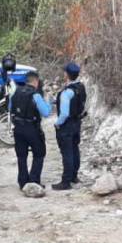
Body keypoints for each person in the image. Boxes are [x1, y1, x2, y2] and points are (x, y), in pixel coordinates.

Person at [10, 71, 52, 190]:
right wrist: (48, 101)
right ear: (36, 81)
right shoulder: (35, 95)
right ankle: (34, 180)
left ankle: (22, 182)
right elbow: (46, 112)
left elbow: (10, 108)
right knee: (39, 153)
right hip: (32, 128)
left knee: (21, 155)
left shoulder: (16, 91)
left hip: (18, 128)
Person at [52, 62, 86, 191]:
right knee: (74, 150)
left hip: (67, 125)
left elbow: (64, 113)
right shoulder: (81, 87)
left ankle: (65, 181)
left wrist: (57, 123)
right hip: (77, 122)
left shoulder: (67, 93)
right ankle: (74, 176)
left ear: (66, 74)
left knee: (67, 153)